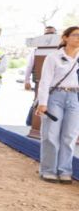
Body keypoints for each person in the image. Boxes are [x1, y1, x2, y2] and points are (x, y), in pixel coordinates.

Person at [36, 26, 79, 183]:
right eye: (75, 35)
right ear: (65, 38)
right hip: (55, 96)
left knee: (70, 136)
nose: (78, 38)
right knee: (51, 134)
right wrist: (43, 102)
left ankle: (64, 170)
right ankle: (48, 169)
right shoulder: (53, 57)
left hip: (75, 97)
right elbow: (45, 80)